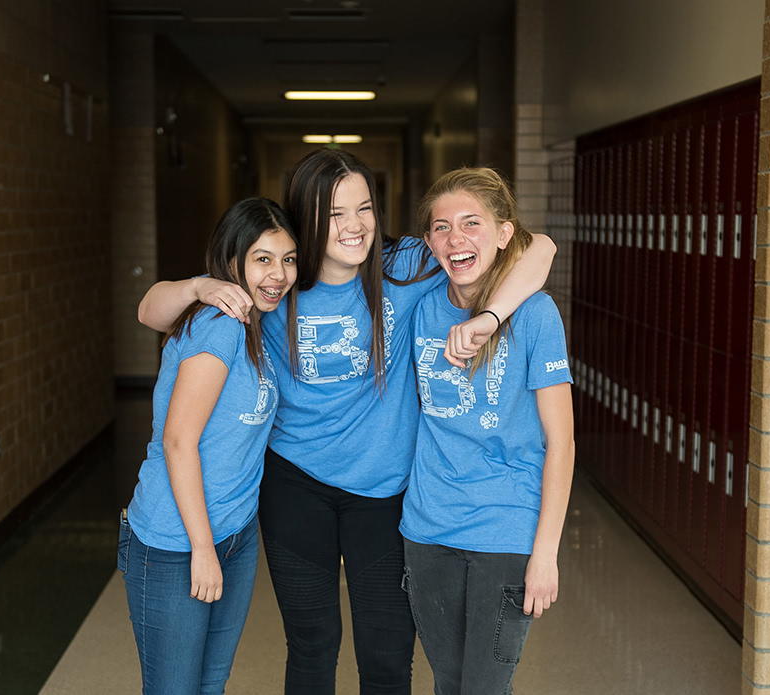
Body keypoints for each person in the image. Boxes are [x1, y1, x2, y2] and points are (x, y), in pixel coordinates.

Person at [137, 149, 557, 694]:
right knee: (312, 647)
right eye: (335, 213)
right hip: (295, 486)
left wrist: (489, 317)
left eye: (364, 208)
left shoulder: (404, 267)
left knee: (386, 654)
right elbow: (151, 311)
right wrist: (198, 286)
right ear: (306, 219)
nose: (354, 225)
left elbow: (538, 247)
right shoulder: (277, 282)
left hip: (384, 492)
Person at [400, 167, 575, 695]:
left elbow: (561, 443)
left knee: (484, 687)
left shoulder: (536, 315)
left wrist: (546, 551)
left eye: (472, 223)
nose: (456, 239)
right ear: (429, 242)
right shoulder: (421, 306)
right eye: (441, 227)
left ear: (503, 234)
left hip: (506, 528)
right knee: (448, 683)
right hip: (427, 528)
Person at [119, 197, 298, 695]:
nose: (279, 275)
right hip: (177, 541)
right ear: (233, 261)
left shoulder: (259, 327)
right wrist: (201, 546)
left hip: (234, 533)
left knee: (209, 684)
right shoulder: (219, 327)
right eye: (263, 259)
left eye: (288, 259)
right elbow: (179, 441)